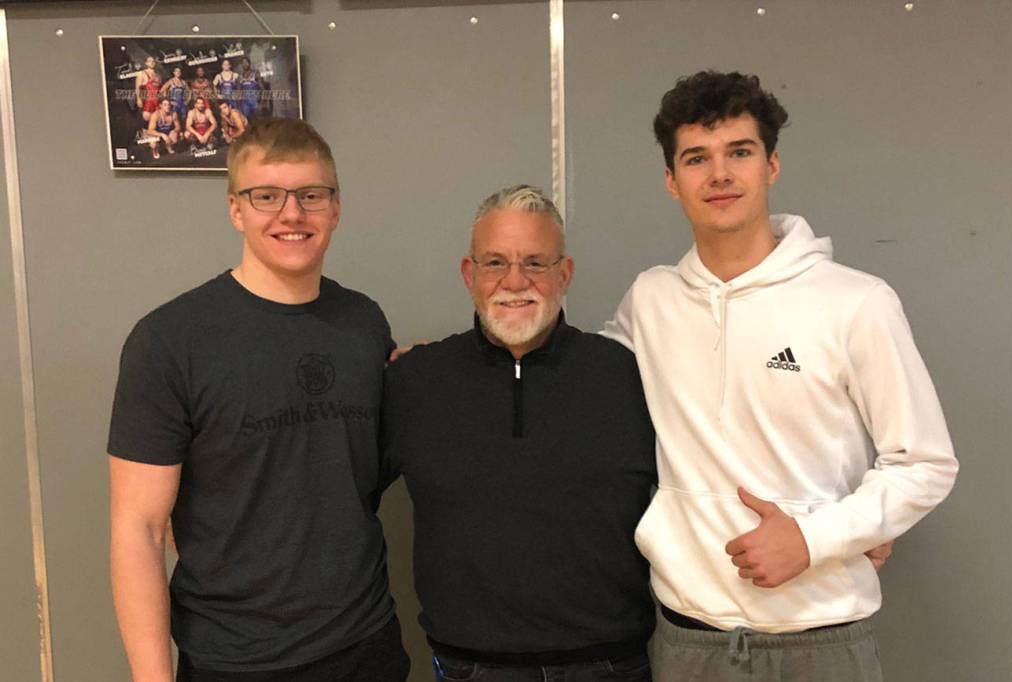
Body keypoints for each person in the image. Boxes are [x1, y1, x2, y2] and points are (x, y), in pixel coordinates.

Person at [603, 70, 959, 681]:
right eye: (696, 158)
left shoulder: (857, 302)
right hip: (687, 642)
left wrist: (817, 538)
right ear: (671, 180)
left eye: (738, 152)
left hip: (821, 643)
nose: (719, 174)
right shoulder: (650, 301)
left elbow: (925, 464)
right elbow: (572, 379)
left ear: (771, 165)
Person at [108, 117, 409, 682]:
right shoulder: (170, 340)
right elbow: (138, 530)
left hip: (366, 643)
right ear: (235, 210)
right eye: (266, 195)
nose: (291, 214)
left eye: (311, 195)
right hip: (235, 660)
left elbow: (360, 462)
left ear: (335, 208)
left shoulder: (364, 322)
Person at [381, 185, 658, 681]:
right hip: (470, 668)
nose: (515, 280)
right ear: (469, 275)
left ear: (564, 275)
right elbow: (336, 500)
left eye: (535, 262)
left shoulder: (628, 377)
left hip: (611, 667)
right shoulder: (414, 382)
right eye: (494, 263)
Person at [135, 55, 161, 123]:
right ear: (146, 63)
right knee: (147, 121)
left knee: (157, 122)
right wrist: (139, 99)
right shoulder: (142, 73)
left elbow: (159, 89)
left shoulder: (158, 75)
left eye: (153, 61)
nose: (152, 63)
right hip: (147, 102)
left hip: (157, 101)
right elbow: (137, 88)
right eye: (150, 61)